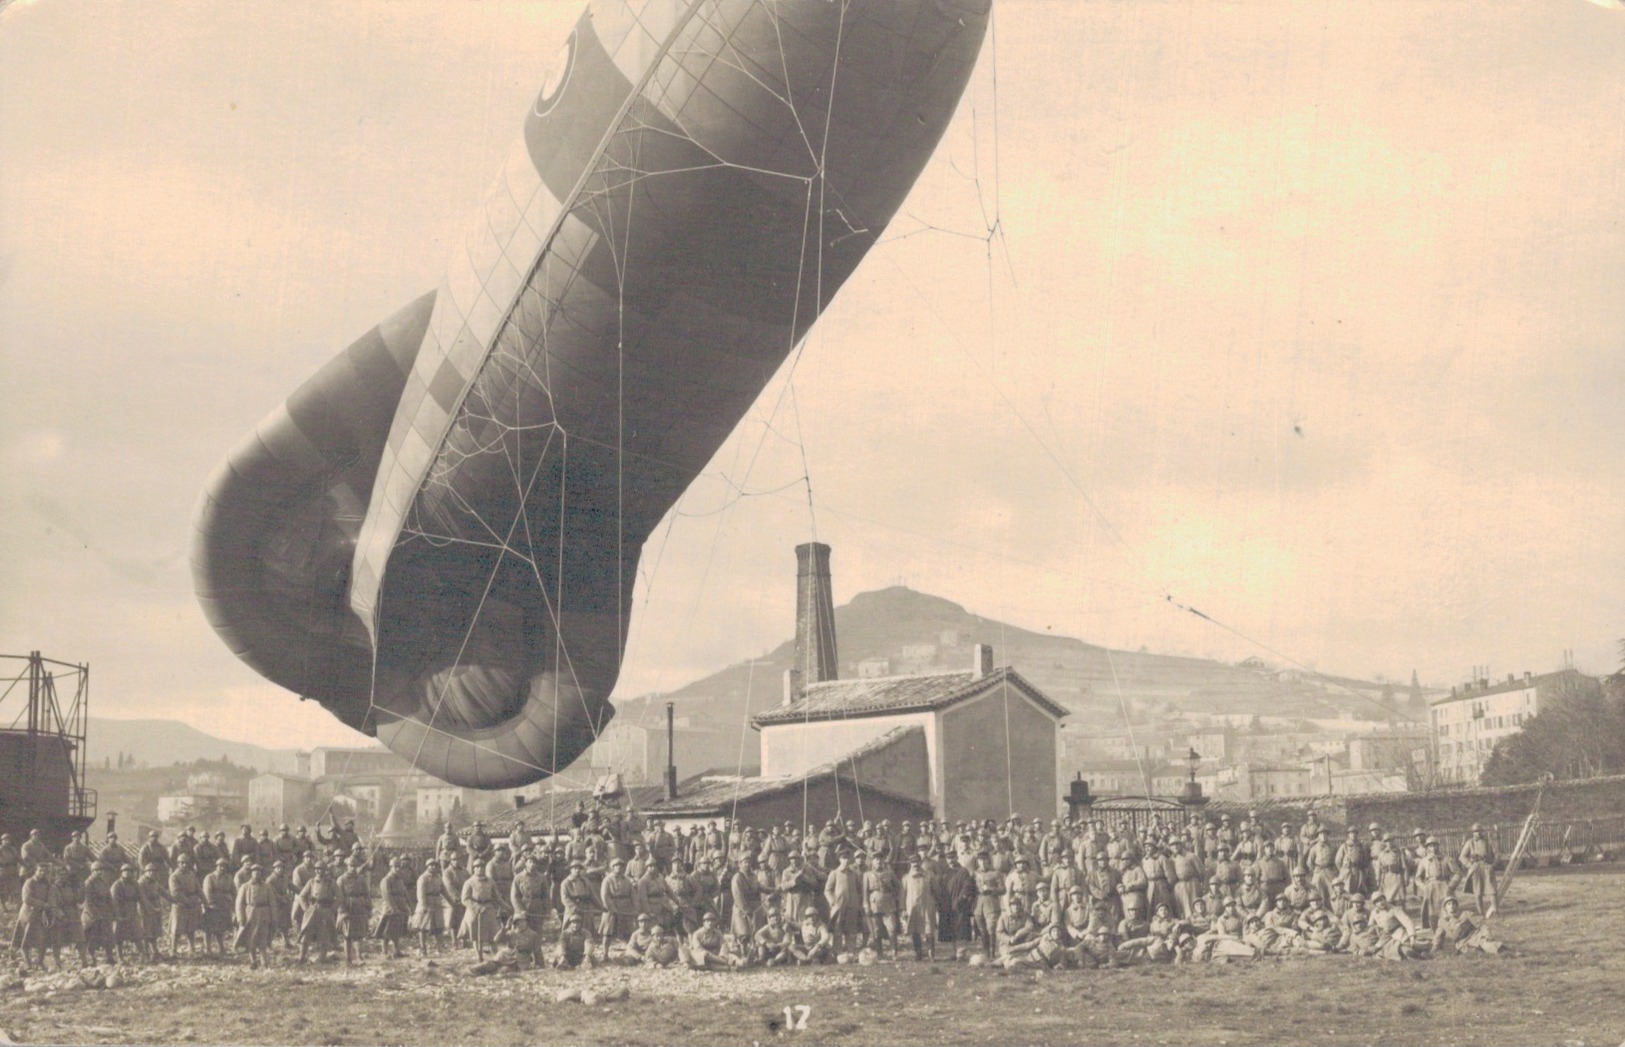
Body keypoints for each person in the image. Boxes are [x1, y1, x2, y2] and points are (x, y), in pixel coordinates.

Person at [12, 863, 55, 970]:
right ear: (35, 871)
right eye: (40, 870)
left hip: (41, 915)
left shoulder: (48, 884)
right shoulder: (29, 882)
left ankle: (39, 962)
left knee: (43, 940)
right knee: (25, 940)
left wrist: (50, 905)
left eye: (45, 871)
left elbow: (51, 896)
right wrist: (43, 904)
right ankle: (28, 963)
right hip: (28, 915)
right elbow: (26, 898)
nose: (42, 873)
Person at [1432, 896, 1505, 956]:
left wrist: (1487, 934)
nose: (1451, 906)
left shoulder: (1466, 914)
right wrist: (1434, 948)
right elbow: (1438, 936)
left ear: (1457, 906)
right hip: (1462, 943)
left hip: (1476, 937)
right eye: (1449, 904)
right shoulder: (1442, 921)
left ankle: (1509, 953)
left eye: (1454, 904)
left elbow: (1482, 924)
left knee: (1490, 946)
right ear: (1445, 908)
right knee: (1475, 953)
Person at [234, 864, 275, 967]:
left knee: (263, 938)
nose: (256, 873)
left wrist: (273, 917)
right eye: (254, 871)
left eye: (259, 871)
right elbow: (239, 903)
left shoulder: (267, 886)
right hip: (250, 913)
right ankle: (253, 961)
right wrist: (240, 917)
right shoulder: (245, 886)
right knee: (251, 938)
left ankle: (264, 961)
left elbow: (272, 903)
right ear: (251, 873)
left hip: (264, 913)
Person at [373, 856, 412, 959]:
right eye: (396, 867)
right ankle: (384, 951)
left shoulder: (399, 880)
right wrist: (394, 908)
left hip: (401, 907)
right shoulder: (386, 880)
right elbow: (387, 896)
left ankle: (396, 950)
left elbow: (404, 893)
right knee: (386, 931)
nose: (398, 869)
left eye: (400, 867)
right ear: (391, 867)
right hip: (390, 909)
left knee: (397, 930)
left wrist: (408, 907)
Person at [111, 864, 146, 962]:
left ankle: (142, 954)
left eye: (130, 871)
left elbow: (141, 898)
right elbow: (114, 902)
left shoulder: (135, 884)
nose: (127, 873)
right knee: (119, 936)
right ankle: (120, 957)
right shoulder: (116, 885)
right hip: (121, 913)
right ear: (121, 873)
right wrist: (117, 915)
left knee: (137, 934)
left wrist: (146, 910)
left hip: (132, 912)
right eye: (125, 871)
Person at [1458, 824, 1496, 915]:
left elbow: (1497, 855)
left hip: (1487, 867)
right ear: (1473, 833)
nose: (1478, 833)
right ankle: (1481, 912)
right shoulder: (1470, 842)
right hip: (1475, 868)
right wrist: (1470, 865)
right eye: (1475, 831)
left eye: (1479, 831)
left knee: (1492, 890)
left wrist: (1492, 865)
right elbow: (1462, 857)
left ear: (1483, 831)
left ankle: (1496, 911)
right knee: (1477, 892)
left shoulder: (1488, 842)